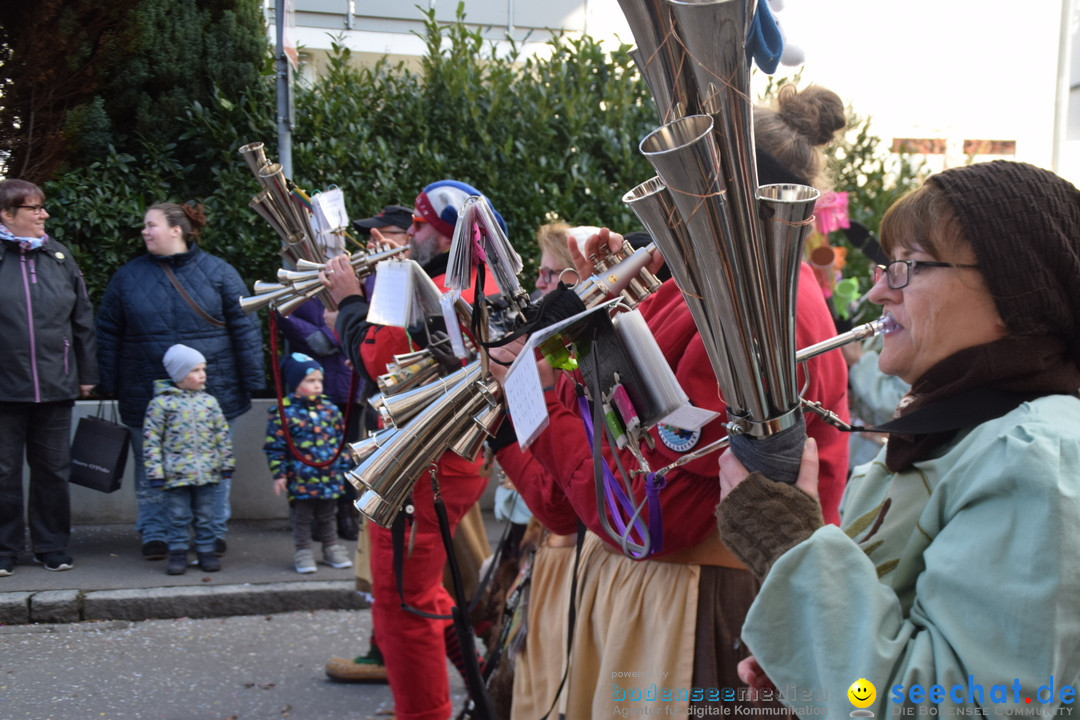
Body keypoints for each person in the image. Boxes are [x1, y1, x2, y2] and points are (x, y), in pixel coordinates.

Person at [488, 84, 851, 718]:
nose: (664, 208)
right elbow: (618, 426)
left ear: (719, 192)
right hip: (666, 592)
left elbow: (646, 510)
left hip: (693, 602)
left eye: (677, 186)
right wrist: (580, 341)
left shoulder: (750, 309)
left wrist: (540, 395)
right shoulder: (708, 284)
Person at [716, 160, 1080, 716]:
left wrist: (792, 551)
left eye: (908, 266)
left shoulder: (1035, 457)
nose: (881, 289)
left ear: (1013, 293)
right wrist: (807, 664)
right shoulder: (954, 436)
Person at [322, 180, 503, 720]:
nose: (410, 235)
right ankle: (479, 679)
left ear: (443, 231)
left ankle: (428, 709)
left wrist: (354, 299)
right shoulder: (479, 276)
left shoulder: (443, 285)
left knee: (403, 605)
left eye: (419, 225)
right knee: (419, 591)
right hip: (442, 463)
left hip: (425, 468)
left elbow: (380, 363)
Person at [96, 202, 265, 562]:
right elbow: (108, 330)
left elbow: (245, 325)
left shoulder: (219, 272)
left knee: (217, 466)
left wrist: (252, 379)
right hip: (145, 389)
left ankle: (213, 532)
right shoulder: (128, 276)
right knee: (150, 468)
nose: (144, 231)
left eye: (150, 225)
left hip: (214, 391)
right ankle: (155, 534)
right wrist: (106, 380)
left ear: (177, 229)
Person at [0, 179, 98, 577]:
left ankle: (52, 546)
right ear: (7, 215)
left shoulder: (59, 256)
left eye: (43, 207)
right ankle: (4, 550)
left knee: (53, 470)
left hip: (56, 386)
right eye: (34, 208)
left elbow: (82, 318)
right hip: (4, 389)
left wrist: (87, 372)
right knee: (2, 473)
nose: (44, 215)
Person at [143, 344, 232, 576]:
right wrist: (155, 472)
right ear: (179, 374)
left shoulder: (209, 402)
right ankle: (178, 552)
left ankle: (206, 550)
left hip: (207, 472)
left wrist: (226, 463)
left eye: (203, 369)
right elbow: (151, 440)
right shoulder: (161, 404)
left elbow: (222, 434)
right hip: (176, 474)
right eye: (195, 370)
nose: (202, 375)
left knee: (205, 515)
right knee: (177, 516)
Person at [264, 352, 353, 574]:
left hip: (330, 477)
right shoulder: (283, 413)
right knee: (302, 518)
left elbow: (340, 442)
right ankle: (303, 551)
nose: (317, 386)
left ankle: (331, 547)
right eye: (310, 381)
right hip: (300, 477)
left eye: (319, 380)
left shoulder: (330, 410)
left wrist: (345, 469)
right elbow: (275, 447)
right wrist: (279, 475)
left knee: (328, 515)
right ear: (295, 383)